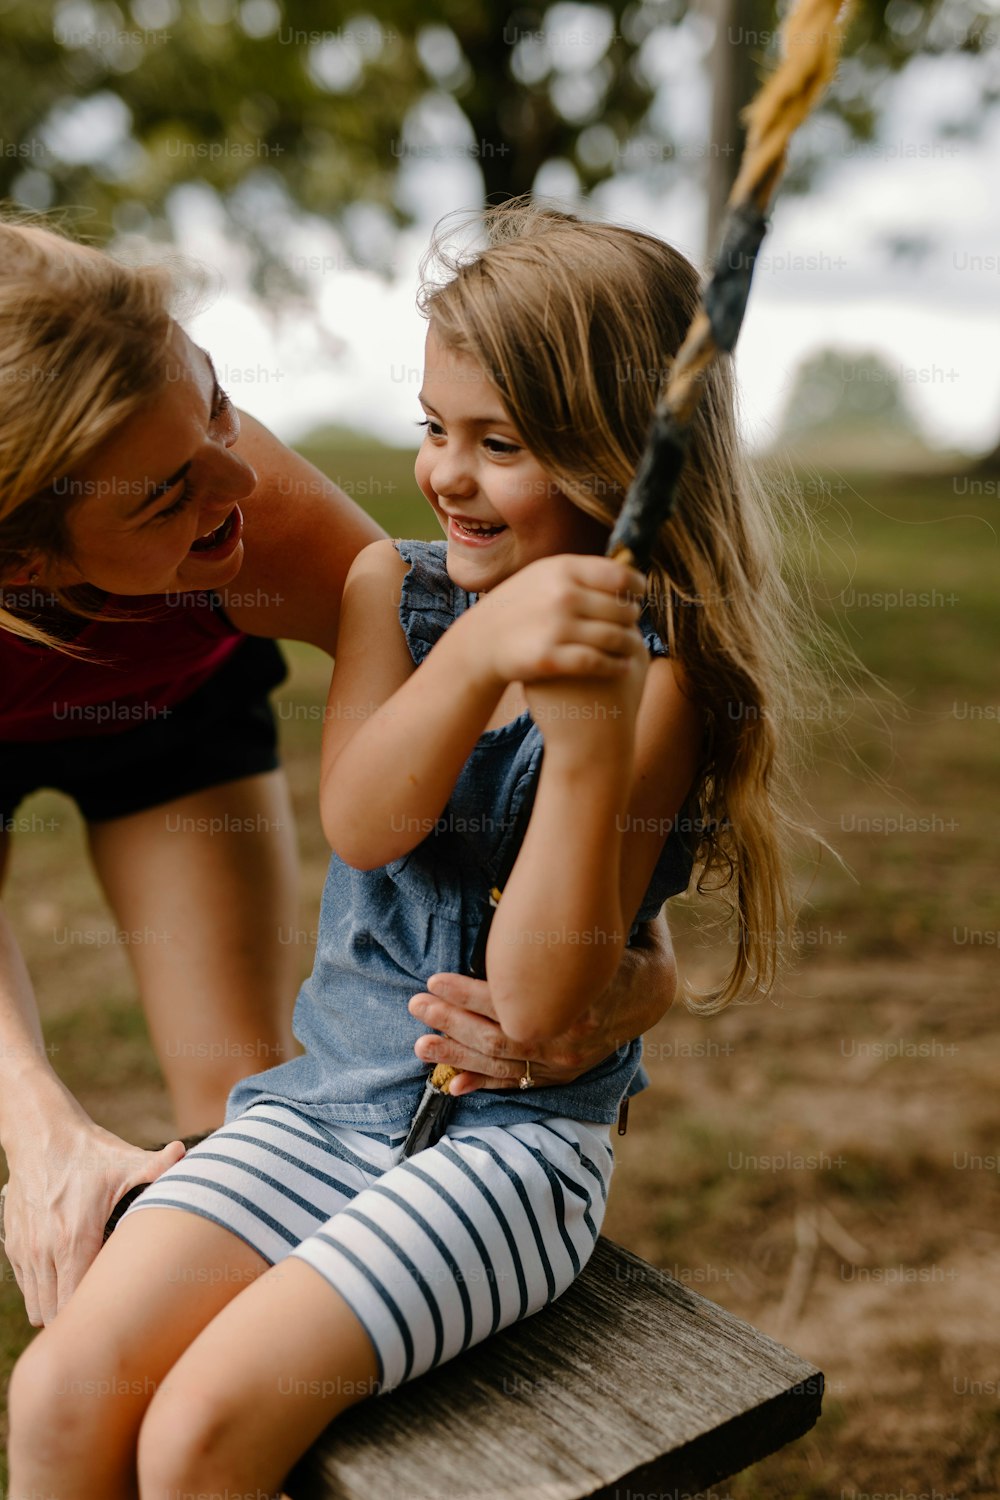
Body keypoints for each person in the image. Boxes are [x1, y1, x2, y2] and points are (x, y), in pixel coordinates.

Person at [7, 199, 813, 1498]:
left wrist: (591, 742)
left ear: (612, 458)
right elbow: (367, 821)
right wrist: (482, 655)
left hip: (511, 1154)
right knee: (57, 1398)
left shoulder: (660, 682)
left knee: (200, 1430)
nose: (444, 472)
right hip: (322, 1110)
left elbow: (548, 1004)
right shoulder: (404, 591)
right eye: (436, 428)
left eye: (498, 443)